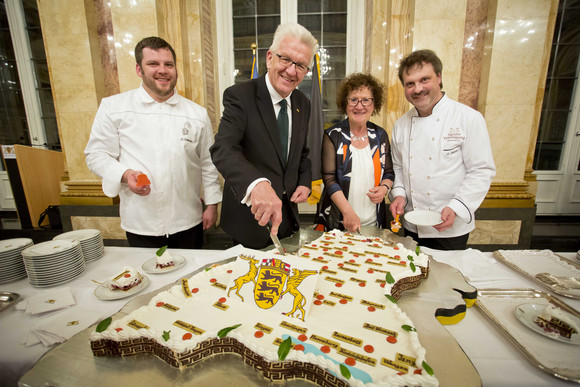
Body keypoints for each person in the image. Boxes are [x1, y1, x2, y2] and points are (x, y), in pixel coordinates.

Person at [85, 36, 222, 249]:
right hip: (141, 223)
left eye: (169, 64)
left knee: (190, 280)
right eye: (153, 64)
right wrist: (125, 174)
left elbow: (208, 162)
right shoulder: (114, 107)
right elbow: (96, 155)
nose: (163, 70)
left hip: (188, 221)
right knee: (149, 279)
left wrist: (212, 204)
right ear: (139, 70)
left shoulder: (196, 113)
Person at [210, 23, 318, 249]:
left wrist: (305, 181)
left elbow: (302, 152)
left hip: (288, 216)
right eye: (286, 59)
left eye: (300, 65)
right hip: (249, 221)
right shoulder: (240, 96)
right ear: (270, 57)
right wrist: (256, 184)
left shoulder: (302, 103)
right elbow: (223, 149)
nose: (291, 71)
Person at [389, 49, 496, 250]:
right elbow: (398, 169)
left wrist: (456, 207)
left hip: (450, 226)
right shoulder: (401, 125)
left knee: (447, 279)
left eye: (424, 80)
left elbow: (481, 171)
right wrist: (399, 194)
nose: (418, 89)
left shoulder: (468, 118)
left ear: (439, 77)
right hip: (412, 224)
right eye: (410, 83)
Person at [314, 73, 394, 233]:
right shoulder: (332, 135)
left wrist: (385, 188)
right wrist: (348, 213)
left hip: (373, 222)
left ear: (374, 103)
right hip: (339, 221)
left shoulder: (381, 135)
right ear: (345, 103)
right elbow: (329, 179)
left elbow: (389, 173)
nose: (359, 106)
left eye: (366, 100)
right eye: (353, 100)